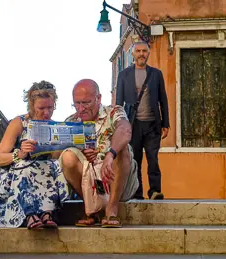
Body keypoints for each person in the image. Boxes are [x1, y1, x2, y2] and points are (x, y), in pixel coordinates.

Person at [0, 81, 68, 229]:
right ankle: (29, 214)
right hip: (15, 176)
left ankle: (47, 213)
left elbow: (56, 158)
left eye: (50, 107)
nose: (46, 113)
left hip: (43, 173)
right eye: (41, 108)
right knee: (25, 166)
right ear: (31, 105)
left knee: (52, 165)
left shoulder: (55, 126)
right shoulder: (19, 123)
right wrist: (20, 153)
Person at [60, 79, 138, 228]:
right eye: (76, 103)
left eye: (86, 103)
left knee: (123, 149)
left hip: (118, 179)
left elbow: (125, 130)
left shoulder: (114, 111)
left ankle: (111, 209)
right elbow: (58, 158)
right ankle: (91, 207)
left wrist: (110, 154)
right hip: (92, 182)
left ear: (99, 98)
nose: (80, 109)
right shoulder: (71, 121)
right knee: (68, 156)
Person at [116, 40, 170, 200]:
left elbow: (163, 99)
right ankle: (137, 193)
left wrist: (165, 124)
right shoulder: (124, 75)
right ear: (133, 54)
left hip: (153, 124)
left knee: (153, 159)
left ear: (148, 53)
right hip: (133, 125)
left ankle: (154, 191)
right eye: (138, 51)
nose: (141, 54)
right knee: (135, 160)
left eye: (144, 51)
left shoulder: (156, 74)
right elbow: (118, 103)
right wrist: (118, 126)